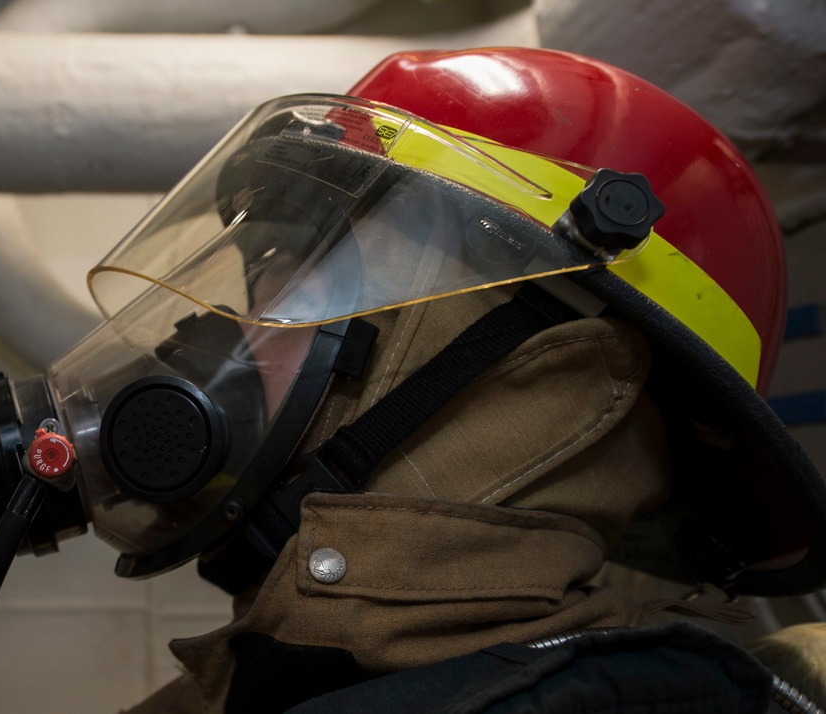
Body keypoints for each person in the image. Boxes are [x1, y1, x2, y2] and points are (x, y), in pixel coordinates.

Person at [80, 48, 825, 713]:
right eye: (260, 294)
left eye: (302, 293)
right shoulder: (267, 675)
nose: (230, 337)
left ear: (548, 385)